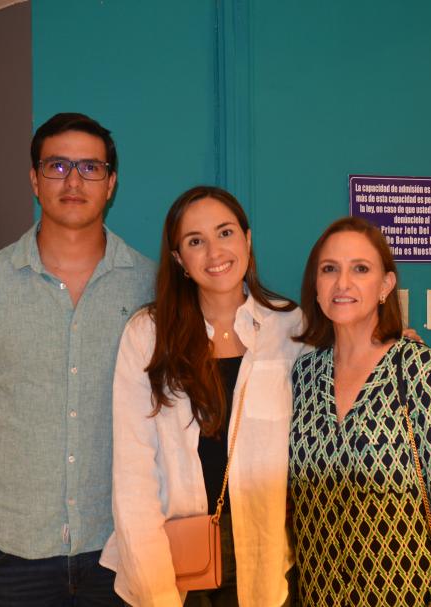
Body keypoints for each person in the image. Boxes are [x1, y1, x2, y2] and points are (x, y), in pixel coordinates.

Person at [0, 112, 155, 606]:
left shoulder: (150, 286)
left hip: (120, 547)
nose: (73, 181)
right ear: (34, 178)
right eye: (57, 166)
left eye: (90, 168)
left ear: (111, 183)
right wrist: (15, 448)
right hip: (9, 551)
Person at [101, 186, 306, 606]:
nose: (215, 252)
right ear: (179, 259)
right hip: (170, 559)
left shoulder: (289, 328)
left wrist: (392, 344)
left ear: (247, 240)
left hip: (263, 558)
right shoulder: (147, 335)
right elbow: (133, 476)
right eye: (196, 241)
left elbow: (344, 377)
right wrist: (157, 593)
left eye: (226, 233)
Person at [289, 217, 431, 606]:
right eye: (330, 269)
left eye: (360, 269)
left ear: (385, 285)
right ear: (316, 284)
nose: (343, 283)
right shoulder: (304, 377)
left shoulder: (420, 372)